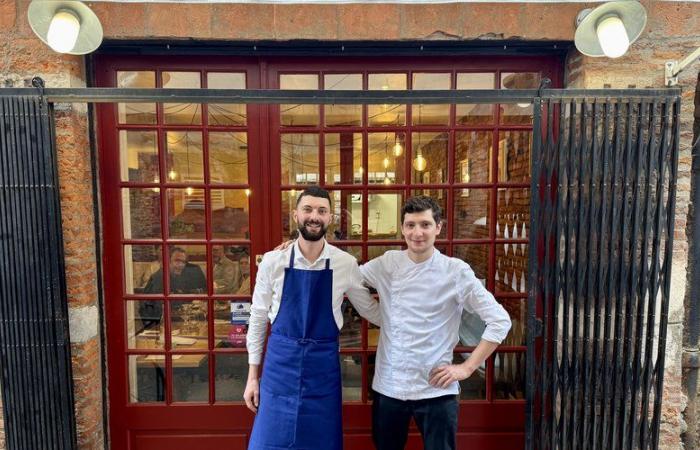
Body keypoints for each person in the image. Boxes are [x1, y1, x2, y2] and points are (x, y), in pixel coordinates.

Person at [361, 196, 512, 450]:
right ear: (402, 228)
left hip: (437, 390)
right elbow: (348, 277)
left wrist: (466, 368)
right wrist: (297, 249)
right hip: (390, 386)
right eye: (410, 225)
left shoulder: (455, 271)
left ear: (438, 227)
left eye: (425, 224)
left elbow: (500, 320)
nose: (417, 233)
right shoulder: (387, 264)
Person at [244, 186, 382, 450]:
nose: (314, 216)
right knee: (270, 441)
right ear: (296, 215)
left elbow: (369, 310)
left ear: (330, 218)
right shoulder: (274, 261)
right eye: (307, 209)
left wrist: (409, 315)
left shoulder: (345, 263)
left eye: (321, 211)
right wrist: (252, 377)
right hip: (279, 368)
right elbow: (259, 317)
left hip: (323, 372)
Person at [139, 247, 207, 331]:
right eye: (177, 261)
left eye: (183, 262)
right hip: (161, 326)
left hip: (176, 324)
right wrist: (153, 328)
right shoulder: (159, 278)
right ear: (168, 261)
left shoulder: (178, 276)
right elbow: (148, 308)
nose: (181, 265)